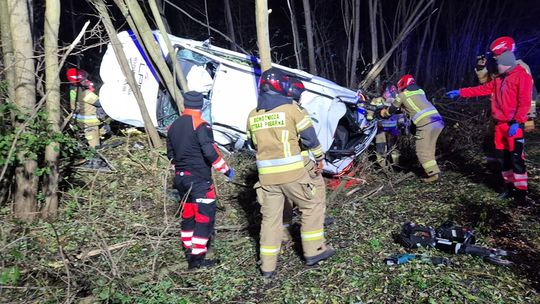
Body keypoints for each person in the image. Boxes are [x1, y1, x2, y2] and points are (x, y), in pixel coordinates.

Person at [247, 68, 334, 278]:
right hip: (293, 174)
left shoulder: (253, 114)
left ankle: (267, 266)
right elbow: (310, 138)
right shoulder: (291, 109)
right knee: (312, 206)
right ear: (282, 87)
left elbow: (252, 143)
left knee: (270, 220)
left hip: (267, 179)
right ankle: (314, 251)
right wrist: (320, 158)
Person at [446, 36, 533, 204]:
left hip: (513, 125)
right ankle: (508, 187)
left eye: (498, 62)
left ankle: (521, 194)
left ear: (507, 62)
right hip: (499, 125)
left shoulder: (522, 76)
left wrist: (518, 122)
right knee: (503, 159)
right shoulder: (499, 79)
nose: (496, 65)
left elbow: (525, 102)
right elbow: (482, 88)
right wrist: (461, 92)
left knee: (516, 160)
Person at [167, 91, 234, 269]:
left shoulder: (173, 126)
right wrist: (226, 170)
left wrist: (181, 171)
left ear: (185, 105)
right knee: (204, 218)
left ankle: (188, 250)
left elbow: (171, 156)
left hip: (181, 180)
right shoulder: (201, 125)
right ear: (201, 106)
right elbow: (210, 152)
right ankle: (197, 260)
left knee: (188, 215)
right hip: (199, 181)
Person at [377, 75, 444, 182]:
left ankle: (434, 176)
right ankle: (433, 171)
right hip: (438, 121)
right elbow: (412, 107)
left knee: (422, 151)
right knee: (429, 149)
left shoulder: (402, 95)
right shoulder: (421, 92)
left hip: (426, 123)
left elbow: (392, 110)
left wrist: (384, 112)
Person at [475, 37, 537, 132]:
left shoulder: (521, 68)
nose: (494, 57)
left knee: (514, 143)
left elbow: (529, 94)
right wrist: (481, 68)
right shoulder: (499, 67)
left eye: (496, 54)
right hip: (499, 114)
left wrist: (529, 118)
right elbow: (488, 86)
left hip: (513, 116)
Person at [67, 68, 108, 169]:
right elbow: (99, 103)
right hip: (90, 123)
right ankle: (95, 163)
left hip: (80, 121)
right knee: (94, 144)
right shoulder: (85, 93)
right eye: (84, 79)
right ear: (80, 81)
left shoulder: (73, 90)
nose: (87, 80)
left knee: (103, 132)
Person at [370, 84, 402, 167]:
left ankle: (396, 165)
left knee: (395, 147)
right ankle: (382, 166)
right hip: (380, 127)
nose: (389, 94)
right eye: (388, 92)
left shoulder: (397, 100)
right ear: (383, 91)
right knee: (380, 146)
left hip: (393, 127)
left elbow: (401, 114)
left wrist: (401, 123)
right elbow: (370, 111)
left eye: (392, 92)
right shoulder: (376, 100)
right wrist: (370, 118)